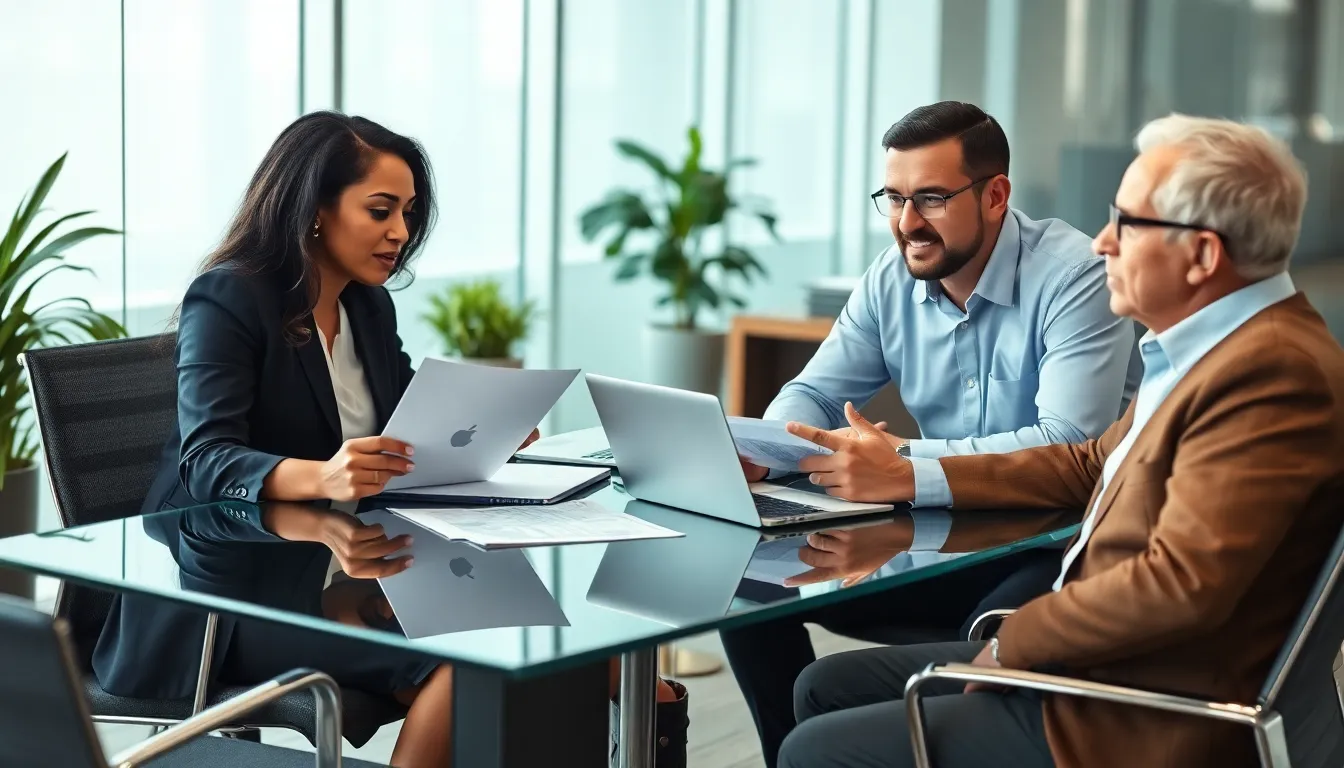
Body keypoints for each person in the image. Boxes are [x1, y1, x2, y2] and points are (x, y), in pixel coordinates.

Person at [91, 111, 687, 768]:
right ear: (315, 207)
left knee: (567, 645)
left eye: (407, 212)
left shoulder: (367, 305)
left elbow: (410, 425)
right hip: (229, 604)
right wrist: (324, 476)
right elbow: (205, 463)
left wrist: (487, 431)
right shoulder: (230, 298)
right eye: (380, 210)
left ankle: (656, 727)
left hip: (353, 566)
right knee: (471, 661)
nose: (400, 232)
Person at [778, 115, 1344, 768]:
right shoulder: (1208, 351)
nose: (1104, 242)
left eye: (1127, 225)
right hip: (1114, 665)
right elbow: (1087, 462)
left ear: (1203, 256)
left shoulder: (1270, 375)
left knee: (816, 750)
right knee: (824, 688)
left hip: (1138, 710)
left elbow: (1179, 585)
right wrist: (909, 472)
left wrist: (1020, 638)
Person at [722, 100, 1141, 766]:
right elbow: (815, 392)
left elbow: (1070, 442)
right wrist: (773, 448)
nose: (906, 223)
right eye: (892, 198)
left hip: (1054, 547)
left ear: (996, 195)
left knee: (994, 635)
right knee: (744, 579)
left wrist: (903, 463)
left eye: (932, 199)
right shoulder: (890, 279)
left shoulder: (1076, 276)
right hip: (932, 537)